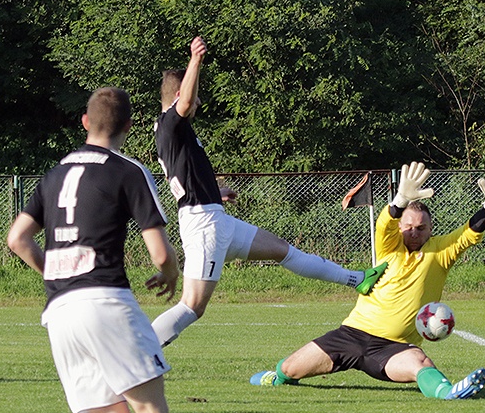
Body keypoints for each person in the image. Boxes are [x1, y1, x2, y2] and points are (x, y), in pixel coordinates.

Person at [6, 87, 180, 413]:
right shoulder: (129, 171)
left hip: (59, 311)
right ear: (127, 126)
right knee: (152, 411)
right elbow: (159, 252)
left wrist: (55, 276)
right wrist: (171, 274)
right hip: (105, 301)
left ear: (85, 122)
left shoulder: (54, 172)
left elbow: (18, 239)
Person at [149, 35, 386, 347]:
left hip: (213, 217)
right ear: (180, 95)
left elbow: (184, 177)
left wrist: (215, 190)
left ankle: (357, 279)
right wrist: (195, 60)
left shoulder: (171, 131)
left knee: (283, 250)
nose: (197, 106)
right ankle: (138, 352)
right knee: (192, 305)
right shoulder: (171, 124)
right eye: (194, 100)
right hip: (204, 223)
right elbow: (186, 102)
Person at [250, 161, 485, 399]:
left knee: (421, 364)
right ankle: (277, 378)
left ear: (431, 229)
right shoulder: (389, 247)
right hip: (351, 334)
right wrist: (400, 200)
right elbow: (383, 225)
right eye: (408, 227)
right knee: (289, 368)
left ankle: (448, 392)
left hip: (393, 348)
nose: (413, 232)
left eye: (421, 228)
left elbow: (468, 234)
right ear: (401, 226)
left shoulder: (440, 252)